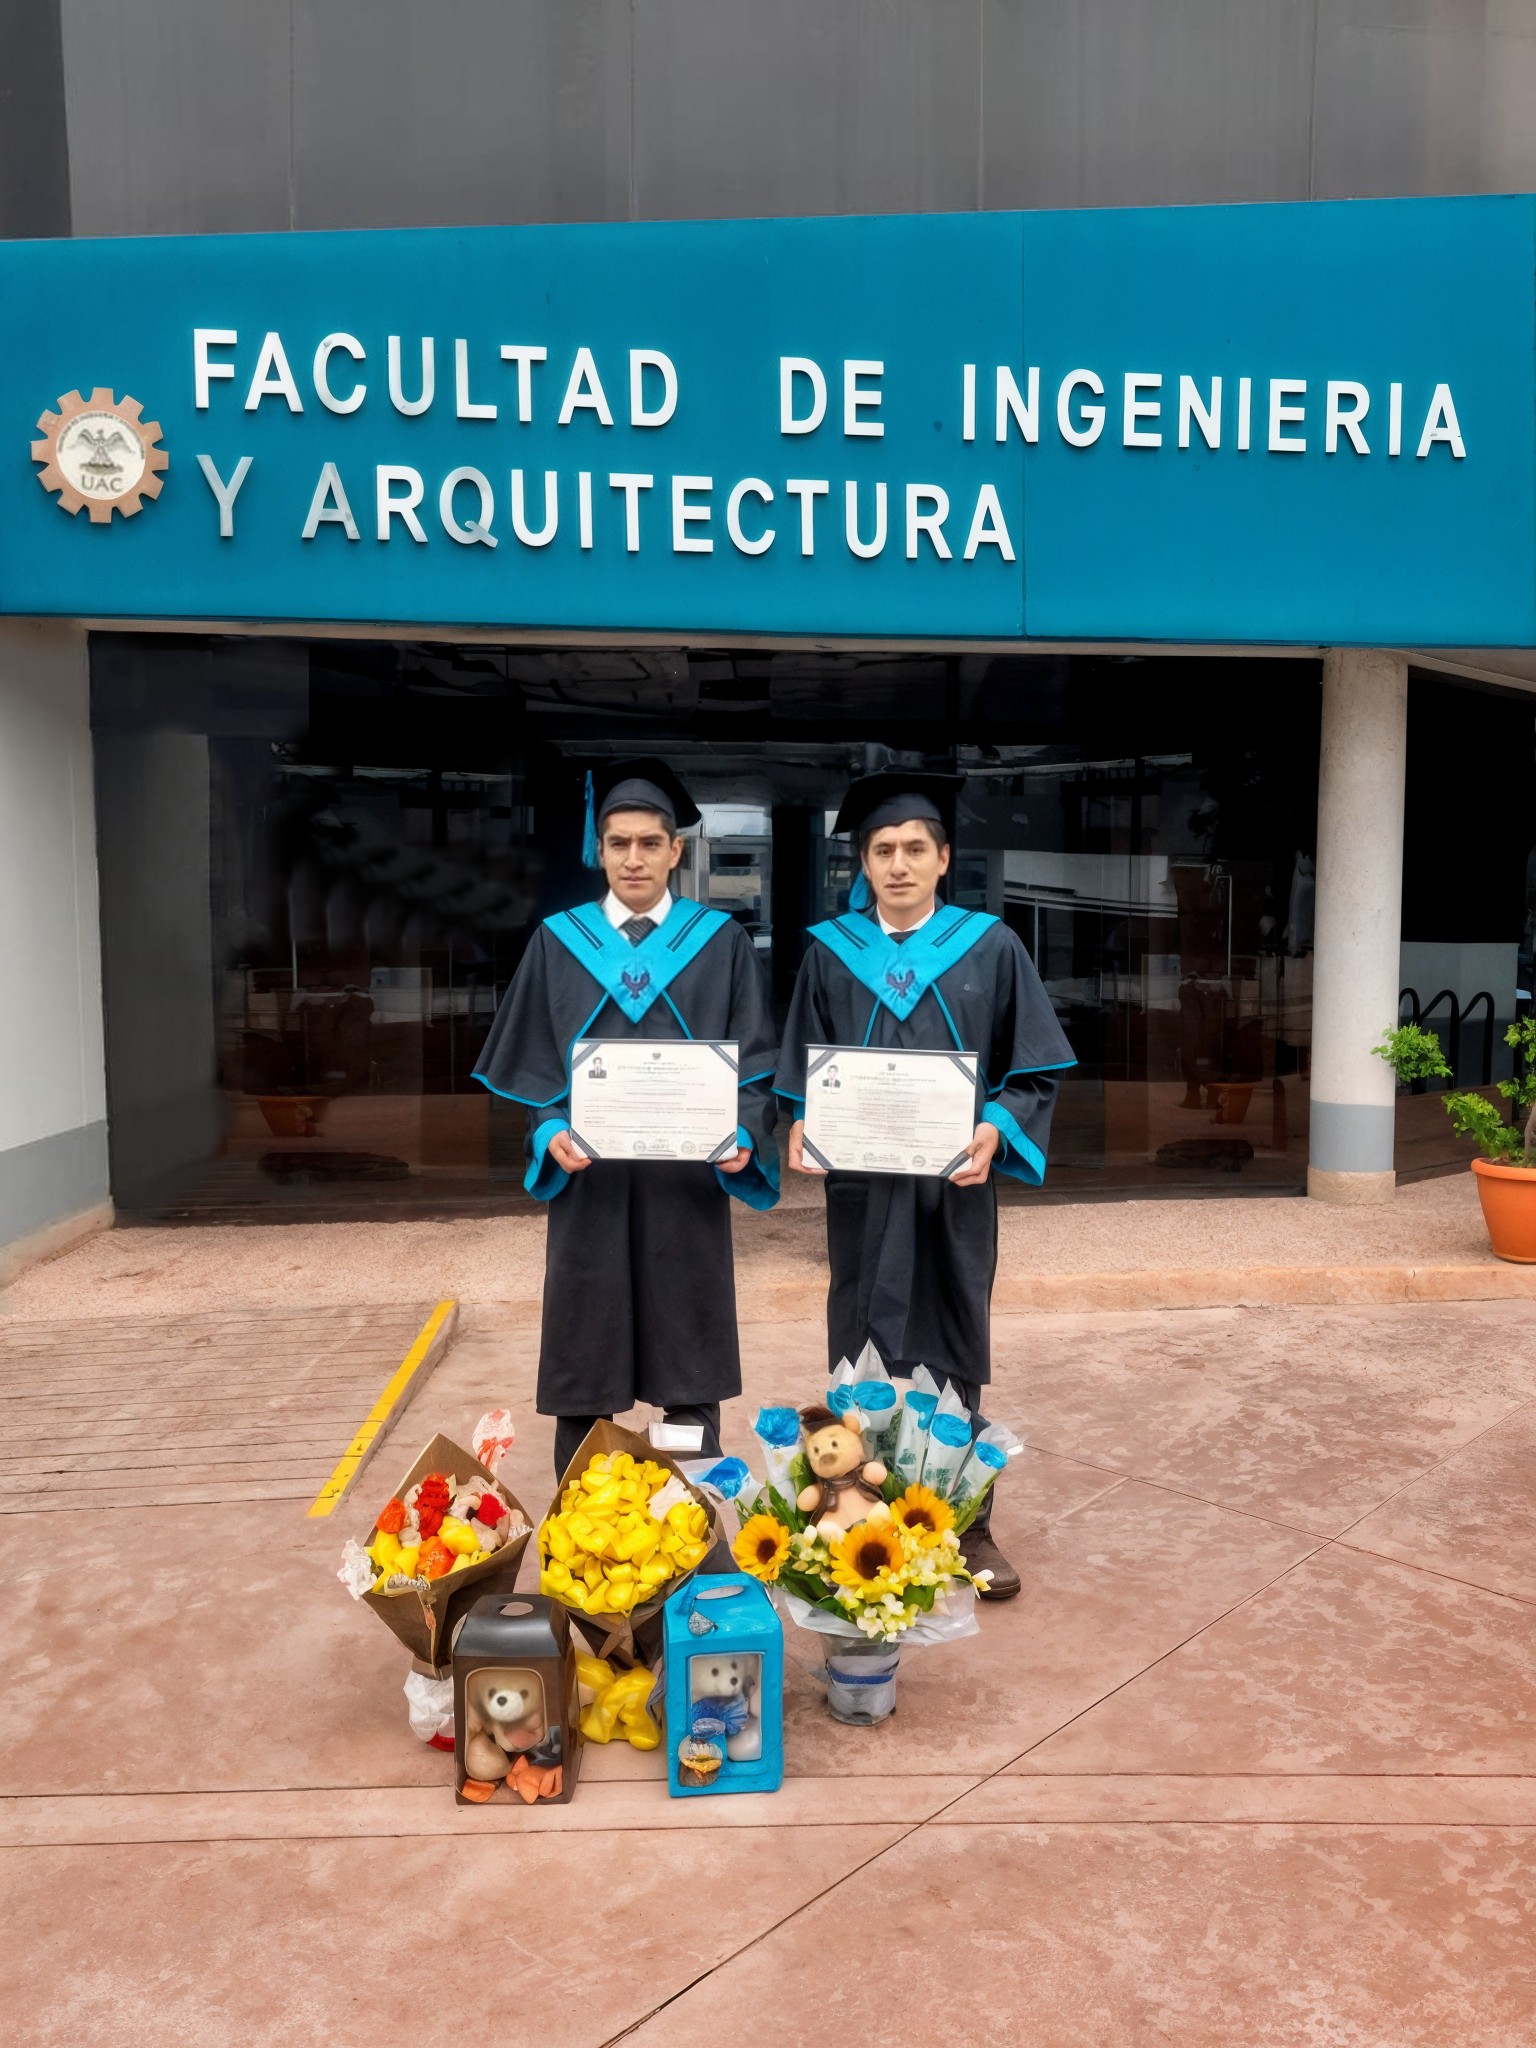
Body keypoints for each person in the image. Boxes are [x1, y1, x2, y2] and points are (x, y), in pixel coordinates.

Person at [775, 772, 1074, 1598]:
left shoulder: (992, 948)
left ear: (944, 859)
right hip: (865, 1191)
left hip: (955, 1188)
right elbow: (801, 1068)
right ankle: (850, 1512)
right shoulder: (831, 953)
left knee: (953, 1344)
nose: (898, 865)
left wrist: (998, 1126)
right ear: (863, 866)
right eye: (882, 851)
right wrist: (799, 1122)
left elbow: (1034, 1072)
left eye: (914, 849)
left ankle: (968, 1525)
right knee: (859, 1341)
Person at [474, 759, 778, 1479]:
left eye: (649, 843)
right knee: (587, 1358)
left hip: (687, 1189)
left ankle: (693, 1528)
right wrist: (549, 1129)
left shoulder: (719, 943)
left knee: (688, 1362)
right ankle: (583, 1532)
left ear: (677, 851)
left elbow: (757, 1066)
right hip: (592, 1188)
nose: (633, 859)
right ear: (599, 849)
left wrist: (743, 1133)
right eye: (619, 843)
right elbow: (535, 1069)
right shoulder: (559, 942)